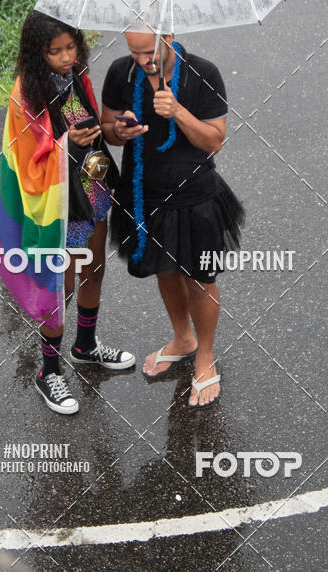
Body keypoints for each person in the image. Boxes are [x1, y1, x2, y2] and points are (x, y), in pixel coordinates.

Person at [0, 10, 135, 415]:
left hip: (94, 187)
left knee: (96, 268)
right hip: (60, 201)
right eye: (55, 51)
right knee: (60, 285)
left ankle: (86, 345)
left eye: (71, 47)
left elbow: (92, 127)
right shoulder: (26, 96)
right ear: (37, 54)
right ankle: (48, 371)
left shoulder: (78, 76)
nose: (66, 56)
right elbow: (28, 157)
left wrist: (113, 130)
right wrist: (67, 142)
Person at [101, 33, 243, 408]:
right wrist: (120, 130)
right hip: (143, 193)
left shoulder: (203, 73)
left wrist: (178, 111)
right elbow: (108, 131)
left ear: (169, 37)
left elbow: (214, 140)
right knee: (166, 269)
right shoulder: (121, 73)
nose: (143, 59)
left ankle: (205, 355)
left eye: (150, 51)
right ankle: (183, 338)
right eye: (135, 52)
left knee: (200, 277)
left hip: (194, 195)